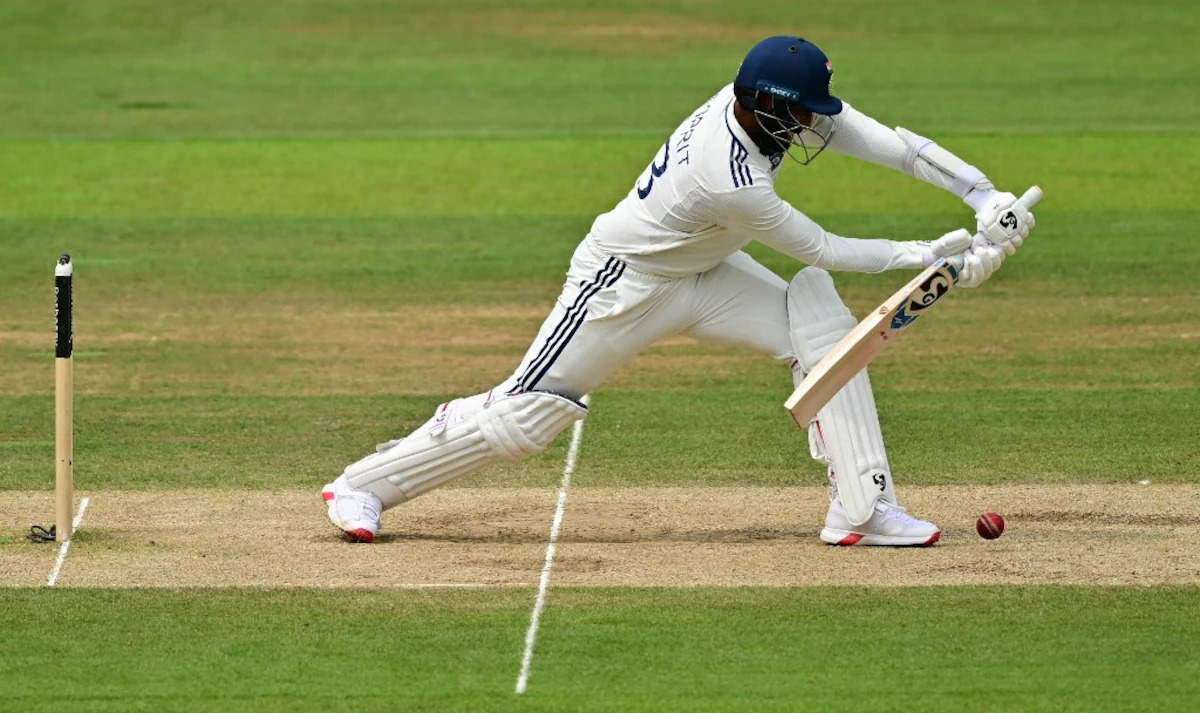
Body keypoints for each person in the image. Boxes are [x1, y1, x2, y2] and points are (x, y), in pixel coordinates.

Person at [322, 36, 1035, 546]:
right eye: (804, 113)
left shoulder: (766, 104)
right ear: (763, 104)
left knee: (822, 331)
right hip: (623, 284)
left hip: (708, 271)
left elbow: (898, 148)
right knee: (525, 417)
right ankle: (364, 485)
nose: (815, 125)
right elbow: (821, 247)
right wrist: (934, 255)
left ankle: (863, 508)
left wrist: (981, 195)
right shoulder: (726, 174)